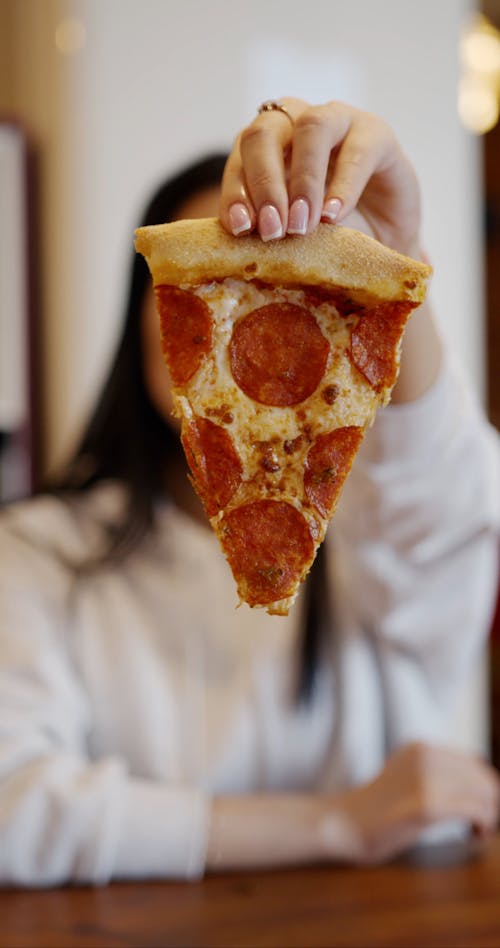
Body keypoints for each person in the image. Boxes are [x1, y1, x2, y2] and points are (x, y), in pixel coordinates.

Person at [0, 98, 499, 886]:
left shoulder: (378, 532)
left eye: (302, 299)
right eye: (217, 287)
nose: (257, 323)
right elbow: (11, 812)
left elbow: (447, 511)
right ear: (152, 318)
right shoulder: (36, 552)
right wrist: (334, 822)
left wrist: (400, 267)